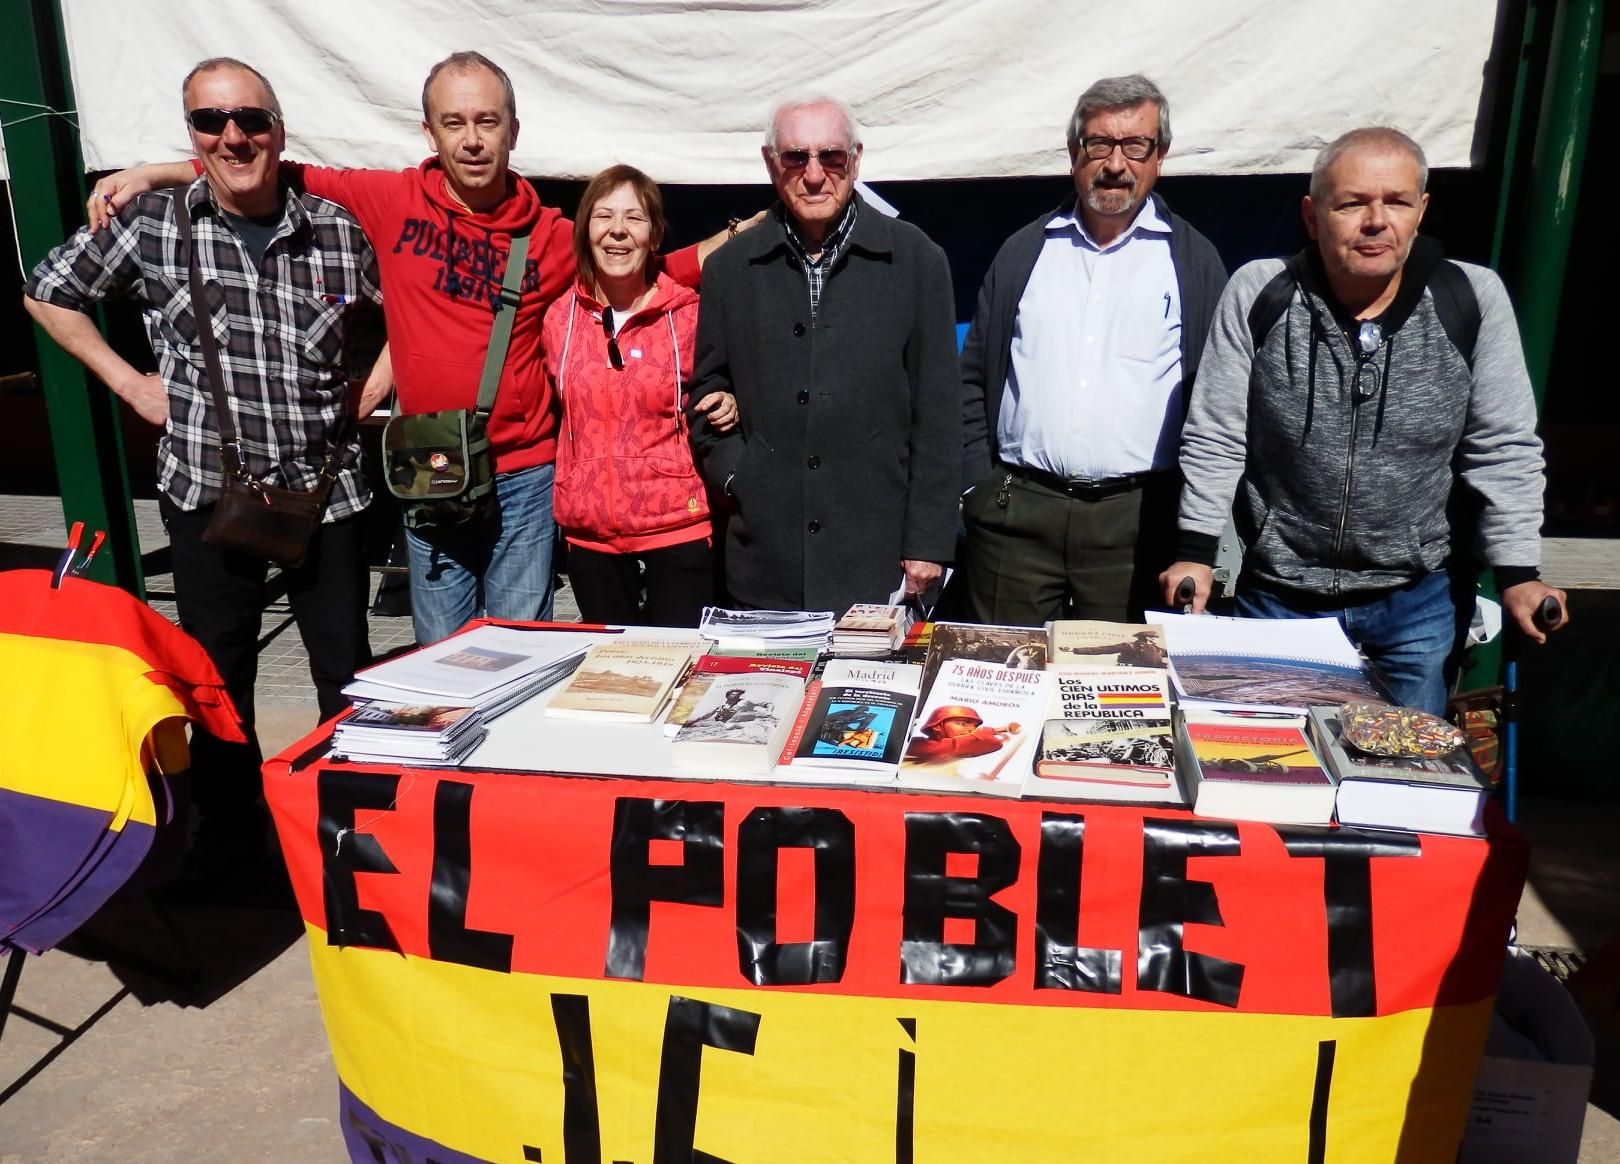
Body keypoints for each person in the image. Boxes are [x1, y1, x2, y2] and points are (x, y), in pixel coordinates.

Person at [90, 52, 742, 645]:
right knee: (443, 650)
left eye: (487, 120)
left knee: (521, 645)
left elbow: (651, 269)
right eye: (454, 122)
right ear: (429, 133)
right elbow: (264, 169)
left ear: (513, 130)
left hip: (525, 473)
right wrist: (152, 173)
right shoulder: (391, 200)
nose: (473, 138)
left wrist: (744, 231)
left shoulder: (548, 232)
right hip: (429, 466)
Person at [24, 57, 384, 896]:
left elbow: (403, 304)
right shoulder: (152, 225)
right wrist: (126, 382)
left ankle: (344, 834)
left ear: (279, 129)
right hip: (205, 488)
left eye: (251, 119)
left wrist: (389, 368)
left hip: (324, 492)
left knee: (345, 670)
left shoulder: (336, 226)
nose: (234, 136)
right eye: (211, 122)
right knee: (219, 679)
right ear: (191, 133)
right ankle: (234, 841)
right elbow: (46, 292)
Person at [1160, 127, 1568, 715]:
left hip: (1416, 601)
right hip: (1280, 592)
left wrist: (1519, 570)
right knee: (1269, 770)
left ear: (1421, 210)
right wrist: (1196, 549)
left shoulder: (1472, 298)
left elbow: (1502, 446)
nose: (1376, 221)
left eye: (1396, 202)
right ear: (1312, 214)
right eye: (1352, 203)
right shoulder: (1260, 291)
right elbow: (1217, 432)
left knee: (1403, 785)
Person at [960, 75, 1227, 624]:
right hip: (1018, 515)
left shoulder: (1194, 263)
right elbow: (971, 380)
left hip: (1134, 522)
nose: (1115, 164)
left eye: (1136, 146)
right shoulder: (1025, 252)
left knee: (1117, 695)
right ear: (1073, 152)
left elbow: (1218, 401)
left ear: (1160, 156)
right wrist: (975, 489)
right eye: (1099, 144)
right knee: (1004, 677)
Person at [688, 94, 961, 613]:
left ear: (855, 160)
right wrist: (740, 476)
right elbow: (707, 389)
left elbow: (940, 417)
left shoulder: (918, 261)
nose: (814, 174)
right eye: (796, 157)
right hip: (766, 560)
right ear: (772, 164)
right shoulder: (728, 269)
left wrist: (928, 542)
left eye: (830, 157)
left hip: (877, 560)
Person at [542, 165, 738, 627]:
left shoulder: (690, 315)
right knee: (611, 676)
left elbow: (729, 385)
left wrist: (731, 402)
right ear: (586, 231)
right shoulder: (558, 319)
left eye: (634, 218)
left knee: (681, 671)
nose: (617, 231)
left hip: (678, 528)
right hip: (591, 539)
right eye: (603, 216)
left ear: (655, 236)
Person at [904, 706, 1020, 763]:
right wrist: (983, 734)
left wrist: (986, 734)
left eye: (974, 726)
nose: (971, 729)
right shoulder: (916, 744)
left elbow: (994, 744)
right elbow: (950, 747)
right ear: (938, 726)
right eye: (962, 723)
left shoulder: (970, 742)